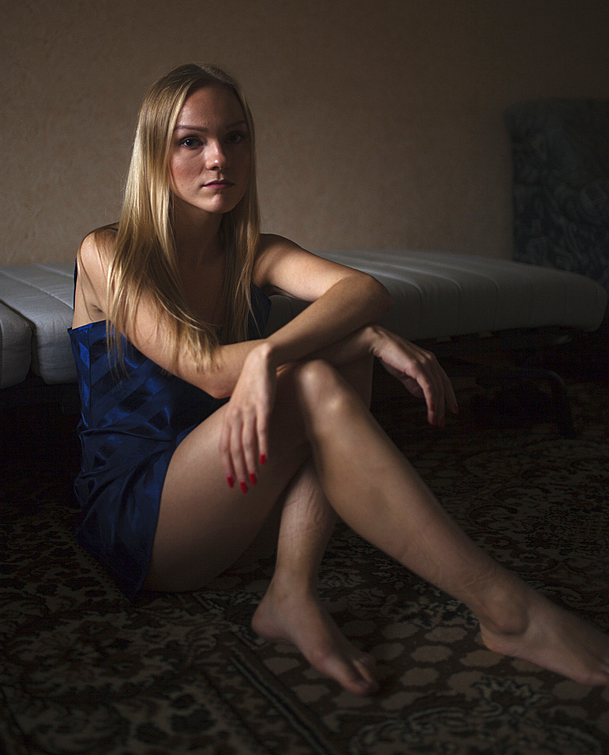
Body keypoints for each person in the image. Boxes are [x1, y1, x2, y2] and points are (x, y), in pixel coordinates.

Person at [70, 63, 609, 696]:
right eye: (192, 140)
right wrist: (321, 345)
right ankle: (508, 611)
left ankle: (290, 593)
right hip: (146, 518)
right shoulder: (108, 252)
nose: (219, 158)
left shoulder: (254, 252)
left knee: (340, 360)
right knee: (321, 371)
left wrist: (337, 339)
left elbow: (363, 289)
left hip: (235, 497)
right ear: (156, 154)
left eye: (235, 137)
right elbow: (207, 371)